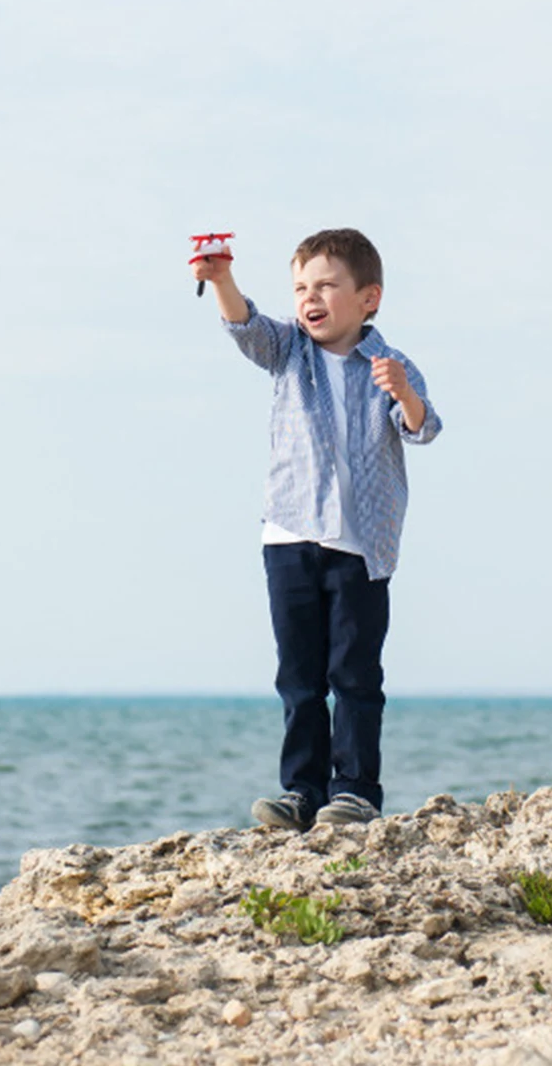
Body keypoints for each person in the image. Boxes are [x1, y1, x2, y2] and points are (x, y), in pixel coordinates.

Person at [192, 227, 441, 829]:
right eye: (302, 286)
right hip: (289, 535)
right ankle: (301, 790)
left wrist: (404, 393)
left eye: (327, 285)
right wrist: (222, 279)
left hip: (362, 545)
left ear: (368, 298)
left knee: (354, 675)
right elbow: (247, 329)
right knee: (299, 676)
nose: (311, 296)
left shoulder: (391, 365)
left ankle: (354, 789)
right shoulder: (290, 351)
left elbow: (423, 428)